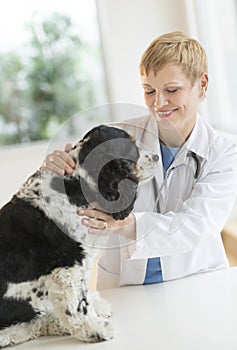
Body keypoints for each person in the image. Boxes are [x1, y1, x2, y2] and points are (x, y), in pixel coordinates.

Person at [41, 31, 237, 290]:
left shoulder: (224, 151)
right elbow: (76, 203)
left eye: (171, 90)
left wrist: (126, 224)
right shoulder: (115, 139)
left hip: (197, 283)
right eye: (149, 91)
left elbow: (197, 226)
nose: (158, 102)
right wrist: (57, 174)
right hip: (125, 285)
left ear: (202, 85)